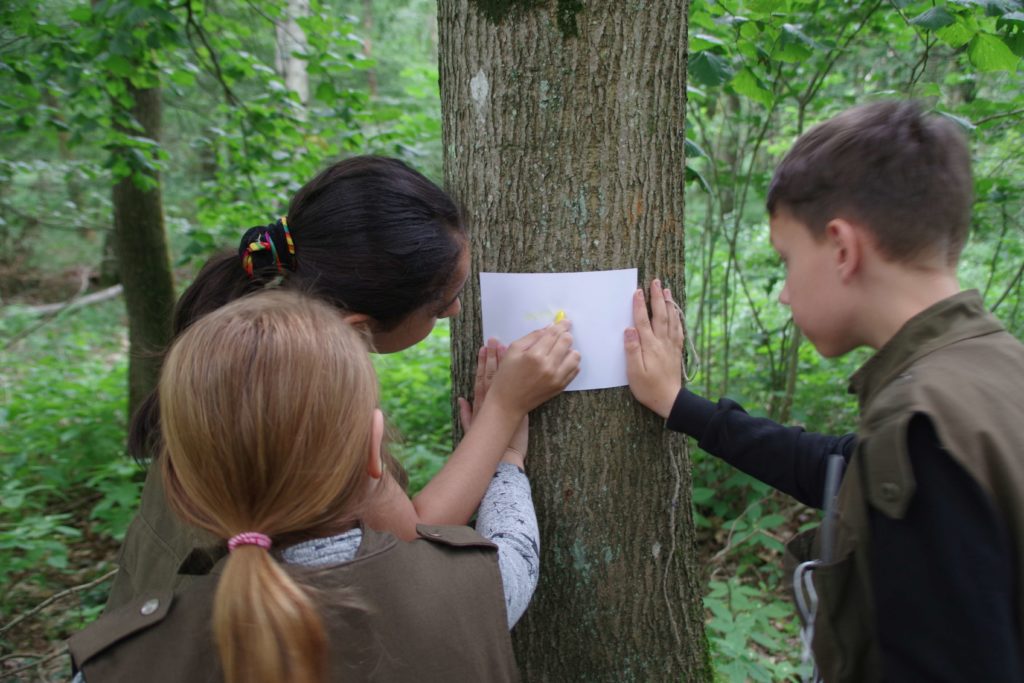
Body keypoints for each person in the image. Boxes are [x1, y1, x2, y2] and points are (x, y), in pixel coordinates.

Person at [624, 101, 1024, 681]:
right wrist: (681, 406)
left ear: (842, 248)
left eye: (787, 261)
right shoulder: (988, 369)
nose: (784, 294)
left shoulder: (919, 428)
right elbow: (841, 468)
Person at [107, 155, 580, 611]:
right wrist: (503, 411)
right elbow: (411, 534)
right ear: (355, 327)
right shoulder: (303, 403)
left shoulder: (237, 355)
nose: (455, 311)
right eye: (440, 306)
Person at [70, 290, 557, 682]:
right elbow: (516, 547)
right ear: (374, 453)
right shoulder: (473, 589)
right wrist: (506, 458)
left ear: (181, 481)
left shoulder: (121, 661)